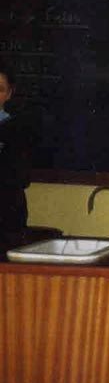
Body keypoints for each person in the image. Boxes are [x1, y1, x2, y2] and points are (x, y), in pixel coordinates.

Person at [0, 58, 31, 251]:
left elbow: (21, 178)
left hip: (7, 219)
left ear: (9, 94)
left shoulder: (17, 129)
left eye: (0, 89)